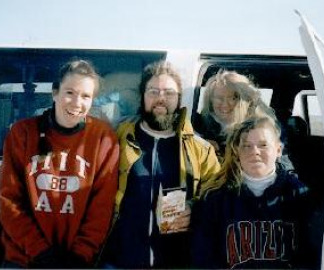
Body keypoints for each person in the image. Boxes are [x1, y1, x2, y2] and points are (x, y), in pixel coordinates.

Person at [100, 60, 220, 269]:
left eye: (169, 93)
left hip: (176, 262)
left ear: (179, 98)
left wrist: (194, 208)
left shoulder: (201, 149)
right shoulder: (116, 137)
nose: (160, 99)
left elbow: (218, 199)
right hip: (119, 261)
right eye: (153, 91)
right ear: (143, 96)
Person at [0, 60, 119, 268]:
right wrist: (40, 251)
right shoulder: (23, 133)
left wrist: (80, 255)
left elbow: (101, 208)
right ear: (55, 92)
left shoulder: (103, 139)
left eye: (85, 96)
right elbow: (7, 200)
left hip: (76, 261)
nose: (76, 103)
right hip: (24, 259)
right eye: (69, 92)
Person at [192, 116, 309, 269]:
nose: (255, 152)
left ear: (278, 150)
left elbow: (310, 255)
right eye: (247, 146)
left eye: (263, 145)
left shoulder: (300, 196)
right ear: (237, 151)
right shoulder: (215, 199)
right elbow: (204, 257)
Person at [193, 70, 276, 161]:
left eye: (233, 98)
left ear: (245, 100)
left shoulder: (262, 128)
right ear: (210, 100)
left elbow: (279, 165)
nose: (225, 104)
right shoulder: (197, 124)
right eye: (219, 98)